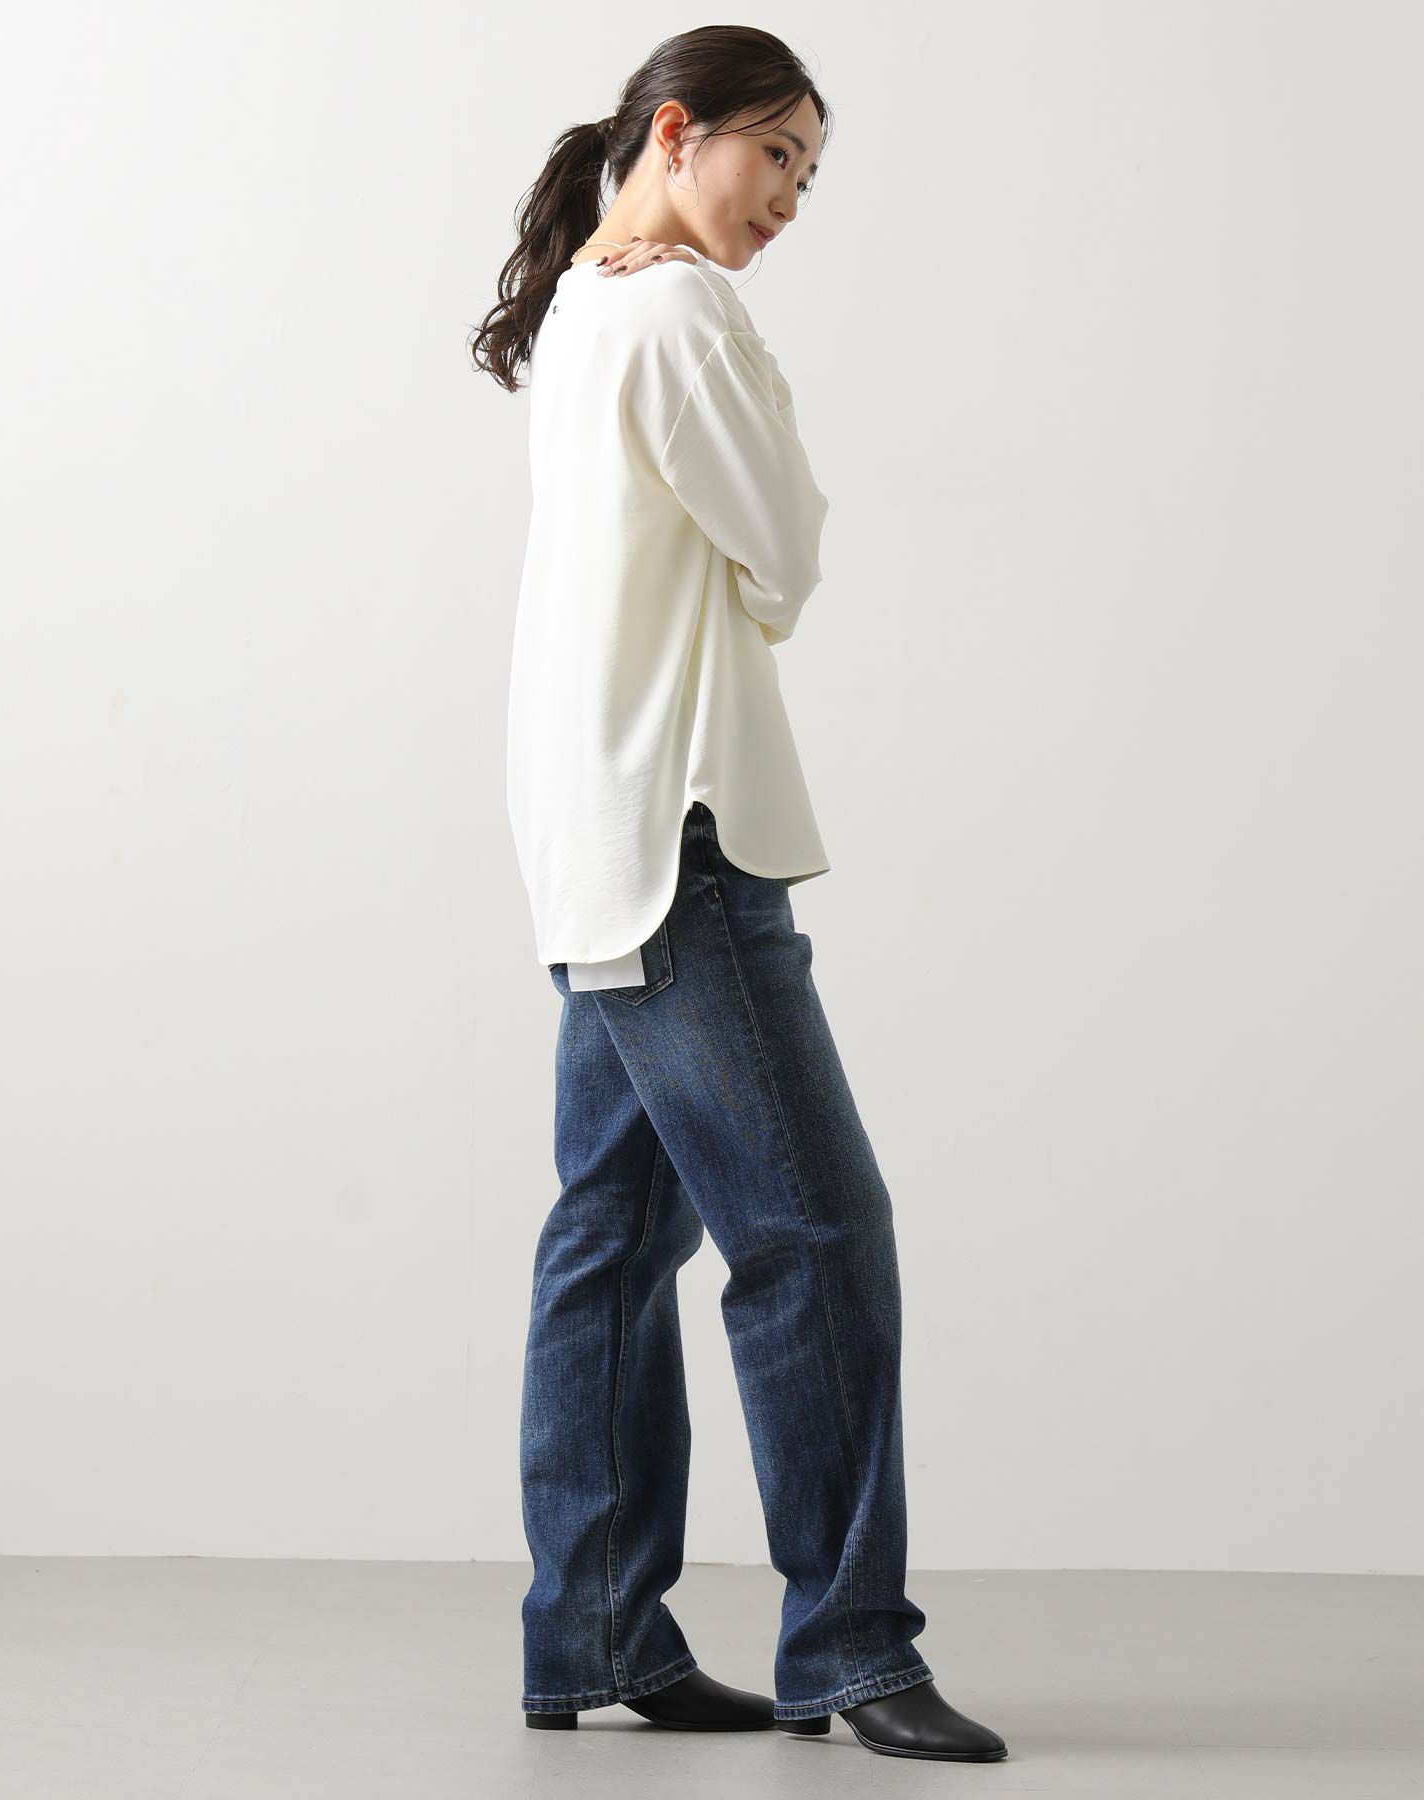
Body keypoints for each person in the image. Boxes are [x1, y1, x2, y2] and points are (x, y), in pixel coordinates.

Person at [469, 24, 1007, 1766]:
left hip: (590, 836)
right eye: (776, 156)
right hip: (684, 835)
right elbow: (785, 554)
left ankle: (594, 1630)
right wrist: (741, 357)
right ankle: (850, 1647)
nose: (789, 199)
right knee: (816, 1238)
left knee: (614, 1241)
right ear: (677, 131)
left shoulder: (584, 304)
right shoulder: (680, 312)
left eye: (811, 178)